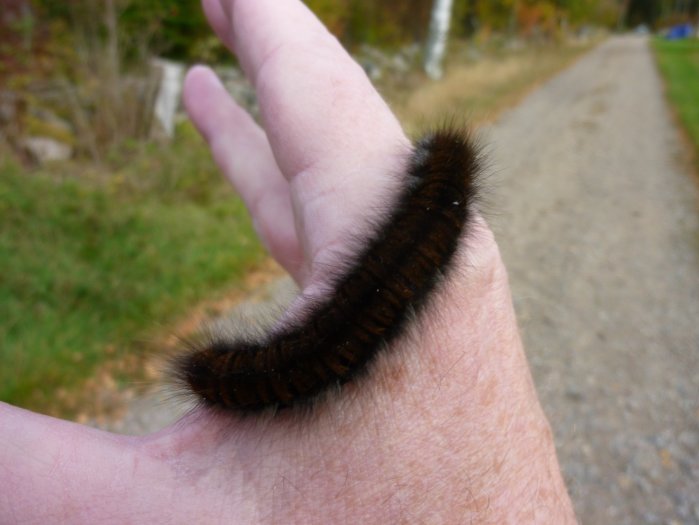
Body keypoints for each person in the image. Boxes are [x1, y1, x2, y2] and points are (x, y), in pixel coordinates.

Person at [0, 0, 576, 522]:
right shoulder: (435, 212)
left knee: (337, 335)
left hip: (268, 373)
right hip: (269, 370)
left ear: (429, 174)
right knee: (339, 333)